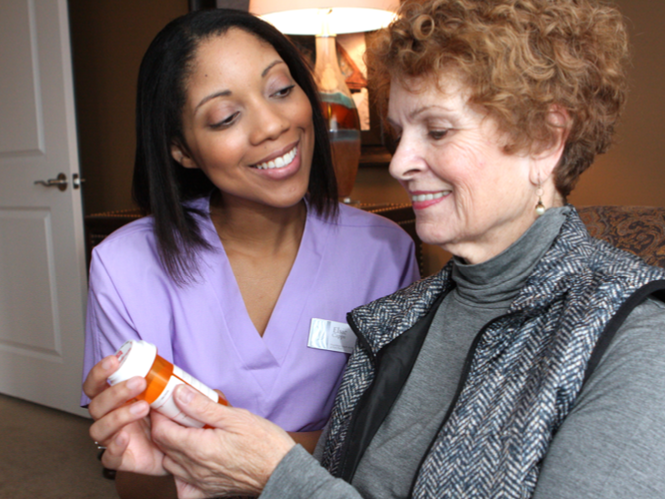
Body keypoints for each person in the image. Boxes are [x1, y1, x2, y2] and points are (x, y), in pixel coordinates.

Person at [86, 0, 665, 497]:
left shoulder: (634, 340)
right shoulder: (405, 314)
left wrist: (275, 475)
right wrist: (181, 462)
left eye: (436, 131)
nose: (397, 163)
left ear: (544, 138)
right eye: (397, 132)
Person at [81, 7, 419, 497]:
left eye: (281, 90)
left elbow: (394, 448)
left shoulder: (384, 252)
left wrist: (229, 459)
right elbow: (138, 476)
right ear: (182, 149)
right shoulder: (124, 268)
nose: (271, 126)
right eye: (225, 117)